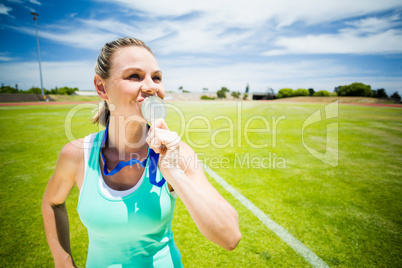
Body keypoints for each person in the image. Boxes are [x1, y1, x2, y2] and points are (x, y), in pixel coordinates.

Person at [42, 37, 241, 267]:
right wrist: (62, 260)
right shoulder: (76, 155)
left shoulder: (178, 153)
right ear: (101, 87)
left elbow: (230, 236)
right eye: (134, 76)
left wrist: (173, 172)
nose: (151, 86)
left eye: (156, 77)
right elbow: (52, 202)